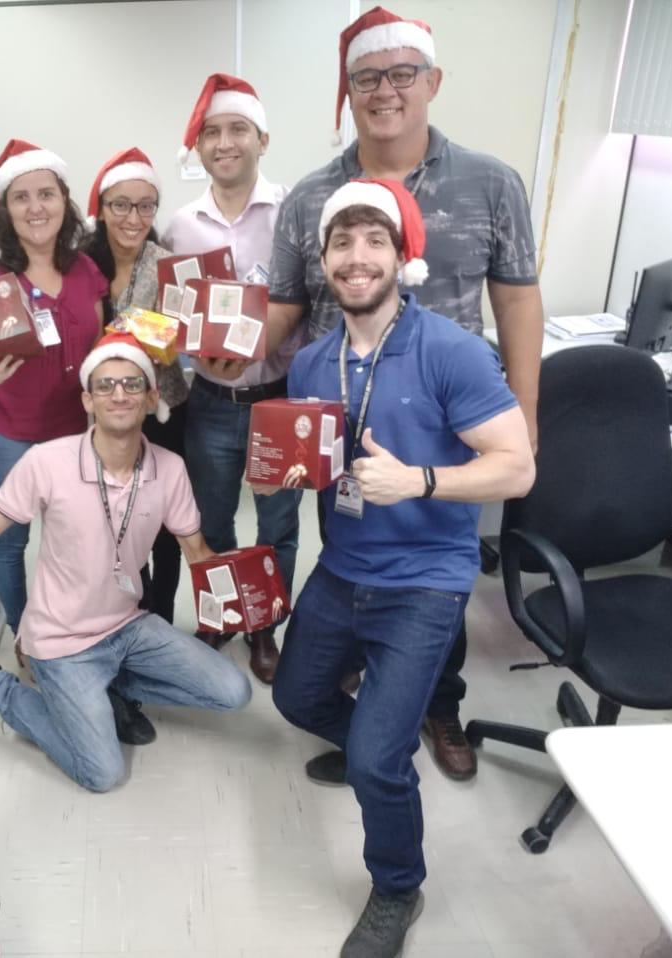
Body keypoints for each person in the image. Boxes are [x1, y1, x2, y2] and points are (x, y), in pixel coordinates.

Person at [264, 6, 545, 779]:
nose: (384, 91)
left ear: (432, 81)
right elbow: (286, 306)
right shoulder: (311, 195)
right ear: (348, 90)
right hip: (345, 407)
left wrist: (525, 417)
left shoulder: (490, 182)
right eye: (366, 78)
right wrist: (224, 351)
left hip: (449, 415)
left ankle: (435, 707)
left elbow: (518, 300)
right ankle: (372, 723)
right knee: (352, 553)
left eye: (401, 74)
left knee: (433, 568)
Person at [269, 180, 534, 957]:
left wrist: (419, 480)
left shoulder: (453, 351)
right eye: (341, 242)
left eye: (374, 241)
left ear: (402, 256)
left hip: (425, 578)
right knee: (294, 696)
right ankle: (374, 750)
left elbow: (516, 468)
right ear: (324, 261)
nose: (357, 258)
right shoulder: (311, 363)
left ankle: (397, 886)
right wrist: (289, 471)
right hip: (343, 566)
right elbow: (324, 463)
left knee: (380, 758)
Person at [0, 332, 252, 793]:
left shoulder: (170, 468)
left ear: (152, 397)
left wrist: (251, 595)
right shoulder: (46, 462)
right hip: (61, 641)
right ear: (88, 399)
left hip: (128, 626)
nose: (119, 394)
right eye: (105, 385)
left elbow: (198, 553)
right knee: (102, 773)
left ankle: (106, 689)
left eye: (132, 384)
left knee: (234, 692)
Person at [163, 72, 302, 685]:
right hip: (213, 401)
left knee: (279, 526)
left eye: (238, 129)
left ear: (262, 139)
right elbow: (174, 315)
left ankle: (264, 625)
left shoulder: (293, 212)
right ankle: (224, 614)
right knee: (212, 522)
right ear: (198, 146)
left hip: (281, 399)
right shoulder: (180, 226)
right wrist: (189, 350)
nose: (224, 143)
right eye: (212, 132)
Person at [0, 139, 107, 648]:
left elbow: (100, 349)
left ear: (64, 203)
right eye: (21, 197)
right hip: (3, 429)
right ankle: (25, 638)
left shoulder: (85, 271)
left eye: (46, 194)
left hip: (70, 430)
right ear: (6, 210)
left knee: (72, 538)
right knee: (9, 541)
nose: (36, 208)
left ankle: (71, 630)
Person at [82, 147, 187, 625]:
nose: (134, 217)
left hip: (163, 408)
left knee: (163, 518)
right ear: (102, 209)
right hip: (102, 413)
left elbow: (187, 337)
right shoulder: (79, 266)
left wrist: (163, 337)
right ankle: (127, 614)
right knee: (115, 515)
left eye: (146, 206)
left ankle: (161, 617)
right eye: (121, 205)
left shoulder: (170, 267)